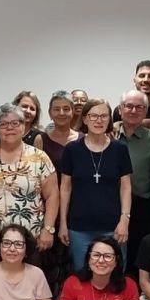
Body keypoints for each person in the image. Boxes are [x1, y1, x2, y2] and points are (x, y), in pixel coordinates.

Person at [0, 102, 59, 257]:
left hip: (32, 240)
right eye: (3, 124)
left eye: (15, 123)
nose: (9, 128)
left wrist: (48, 229)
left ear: (24, 126)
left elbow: (53, 195)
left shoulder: (40, 158)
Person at [58, 98, 133, 267]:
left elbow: (126, 187)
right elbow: (65, 188)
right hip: (79, 227)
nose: (99, 120)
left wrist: (124, 221)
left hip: (113, 227)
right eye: (93, 116)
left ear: (109, 120)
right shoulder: (72, 150)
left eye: (103, 116)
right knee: (83, 274)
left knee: (114, 275)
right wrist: (63, 223)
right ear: (84, 119)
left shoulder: (119, 149)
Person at [115, 89, 150, 275]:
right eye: (129, 106)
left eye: (139, 107)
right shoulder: (107, 135)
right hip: (111, 205)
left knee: (137, 257)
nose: (134, 111)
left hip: (142, 207)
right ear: (120, 109)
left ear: (146, 111)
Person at [112, 60, 150, 131]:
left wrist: (123, 123)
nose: (146, 79)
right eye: (142, 76)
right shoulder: (121, 110)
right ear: (134, 81)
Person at [34, 91, 82, 167]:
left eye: (66, 109)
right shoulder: (40, 140)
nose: (61, 113)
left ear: (72, 112)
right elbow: (37, 171)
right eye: (56, 109)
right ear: (50, 113)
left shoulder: (83, 138)